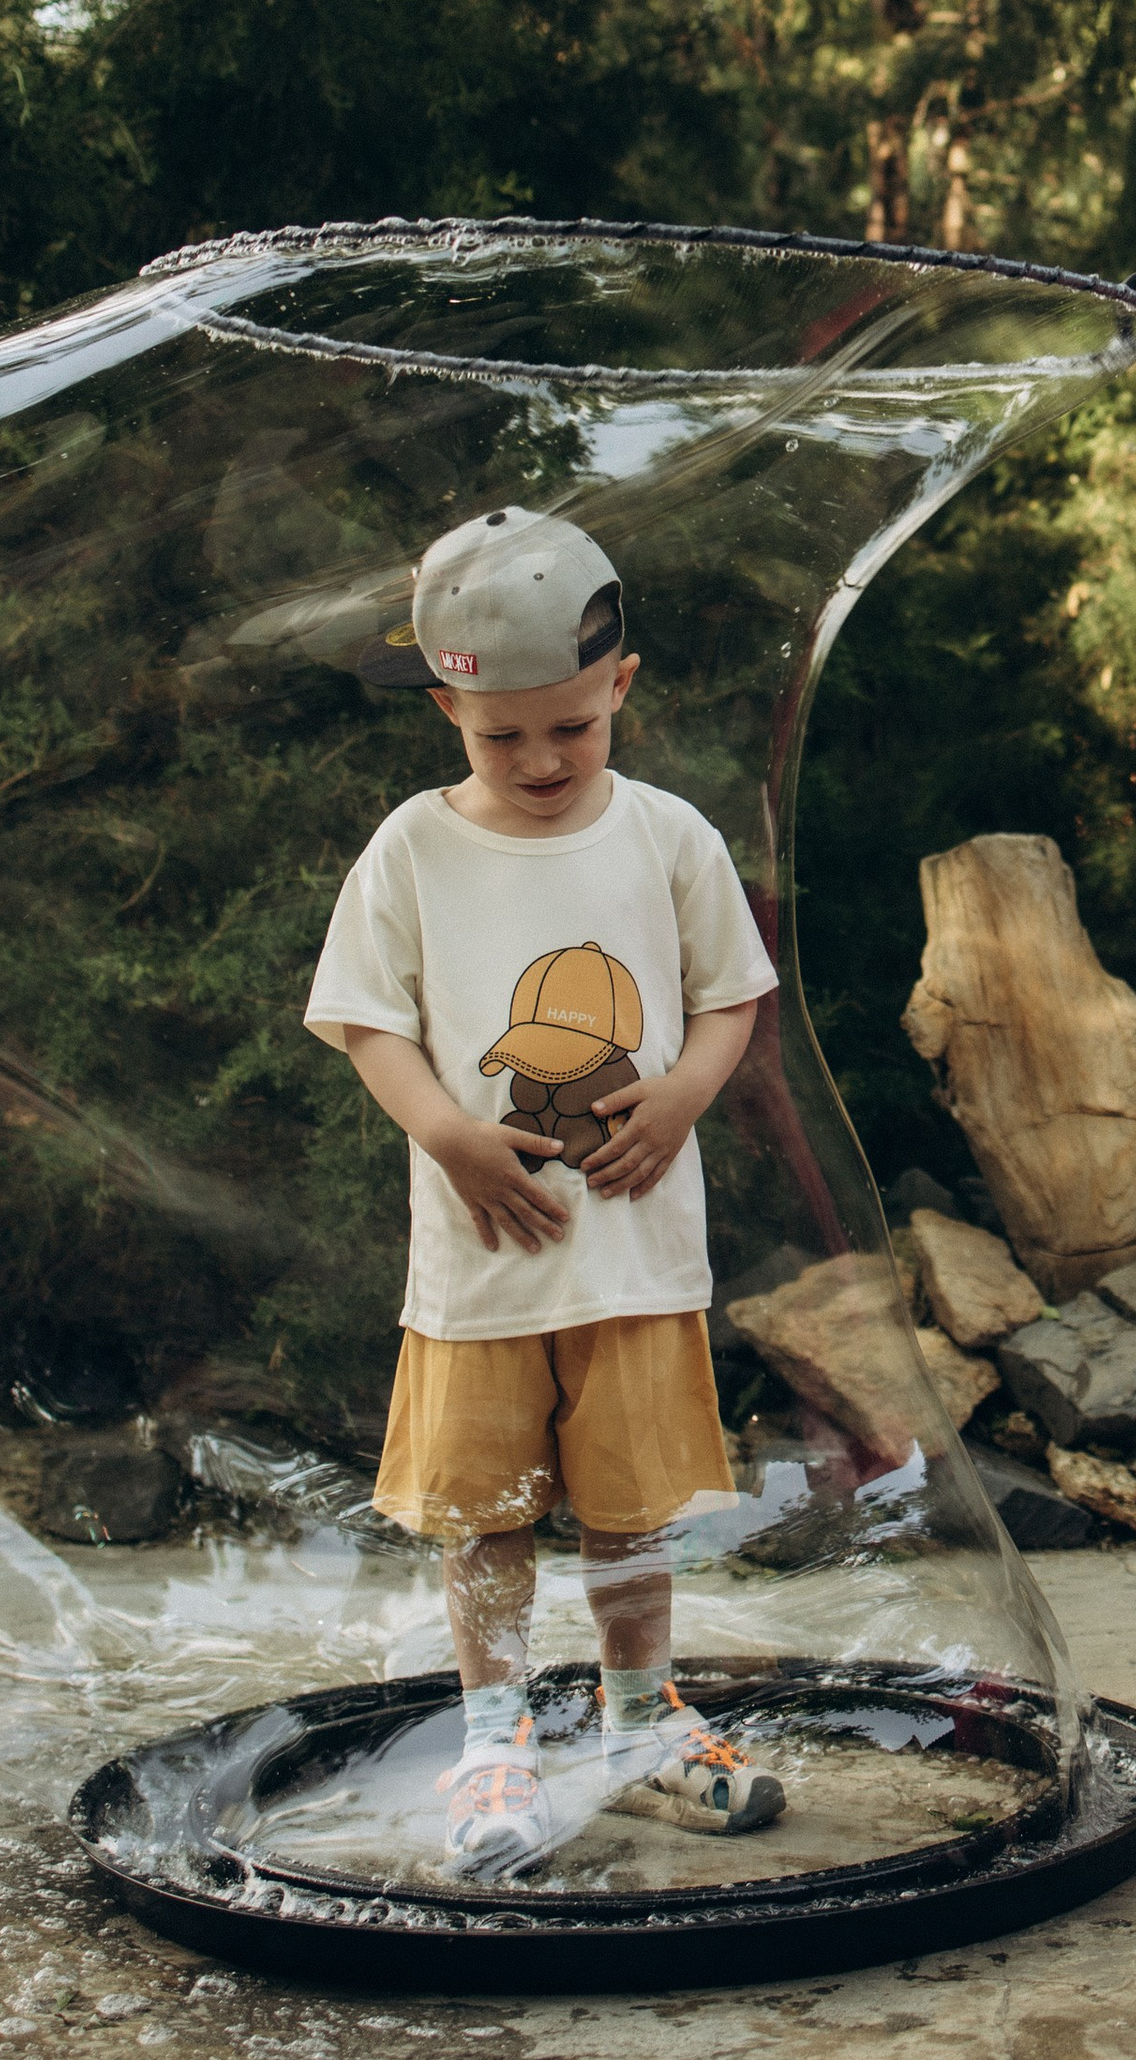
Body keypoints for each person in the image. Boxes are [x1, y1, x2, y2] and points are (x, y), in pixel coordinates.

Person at [308, 505, 783, 1877]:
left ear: (618, 687)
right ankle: (496, 1736)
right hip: (482, 1270)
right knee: (488, 1511)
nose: (539, 760)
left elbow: (726, 1002)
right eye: (499, 736)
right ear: (449, 711)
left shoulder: (668, 837)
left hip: (631, 1259)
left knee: (630, 1511)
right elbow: (367, 1021)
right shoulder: (414, 848)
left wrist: (687, 1094)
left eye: (570, 728)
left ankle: (638, 1727)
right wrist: (449, 1132)